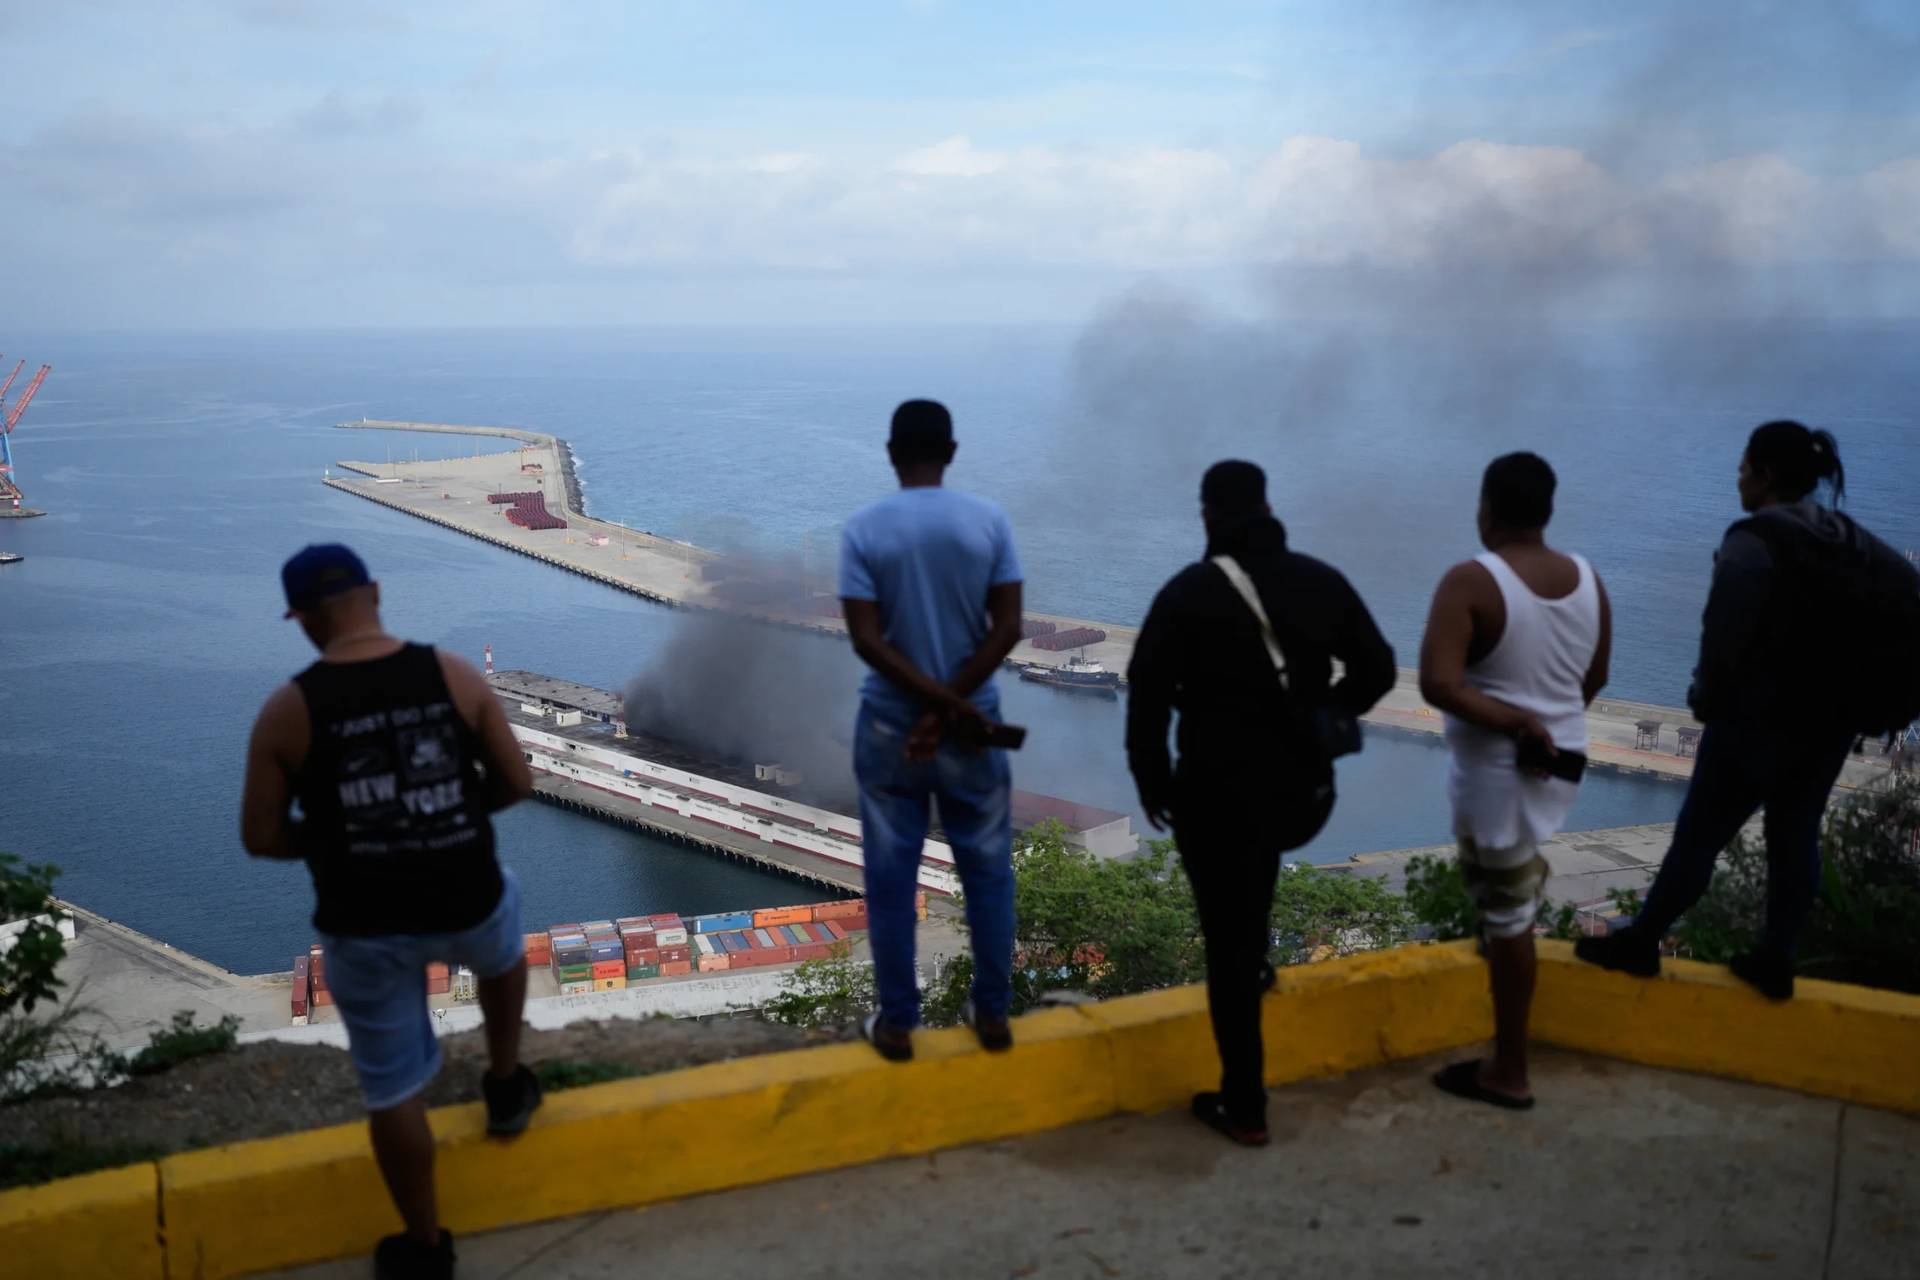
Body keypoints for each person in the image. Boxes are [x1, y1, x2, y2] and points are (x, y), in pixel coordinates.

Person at [240, 545, 541, 1280]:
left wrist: (343, 839)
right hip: (464, 891)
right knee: (503, 943)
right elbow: (515, 782)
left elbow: (261, 836)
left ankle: (426, 1248)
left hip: (364, 919)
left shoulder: (287, 710)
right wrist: (453, 816)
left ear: (302, 618)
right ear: (376, 592)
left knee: (393, 1087)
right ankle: (504, 1082)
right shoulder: (454, 674)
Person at [1127, 460, 1395, 1146]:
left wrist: (1153, 785)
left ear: (1207, 515)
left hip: (1214, 794)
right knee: (1256, 876)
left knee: (1226, 943)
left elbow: (1149, 701)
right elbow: (1379, 667)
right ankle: (1256, 959)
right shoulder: (1319, 580)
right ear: (1268, 505)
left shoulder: (1187, 593)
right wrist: (1327, 715)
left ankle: (1244, 1105)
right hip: (1303, 793)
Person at [1578, 422, 1856, 1000]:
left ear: (1765, 475)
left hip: (1756, 719)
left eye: (1742, 468)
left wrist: (1707, 696)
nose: (1737, 480)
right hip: (1829, 721)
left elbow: (1723, 628)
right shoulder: (1844, 537)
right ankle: (1776, 957)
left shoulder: (1754, 539)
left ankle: (1642, 941)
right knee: (1795, 835)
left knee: (1699, 836)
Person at [1419, 453, 1611, 1110]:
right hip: (1562, 763)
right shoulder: (1589, 579)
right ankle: (1504, 991)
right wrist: (1550, 719)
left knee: (1508, 917)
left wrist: (1519, 723)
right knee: (1508, 888)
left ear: (1487, 507)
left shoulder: (1471, 581)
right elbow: (1594, 678)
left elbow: (1438, 684)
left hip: (1502, 772)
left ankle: (1510, 1071)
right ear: (1547, 510)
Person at [839, 399, 1025, 1062]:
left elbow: (866, 638)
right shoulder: (989, 521)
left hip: (889, 727)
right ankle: (994, 1014)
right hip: (975, 725)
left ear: (892, 453)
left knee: (891, 880)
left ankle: (897, 1024)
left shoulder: (864, 528)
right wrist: (951, 707)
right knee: (988, 872)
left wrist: (923, 710)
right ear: (951, 452)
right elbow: (1008, 628)